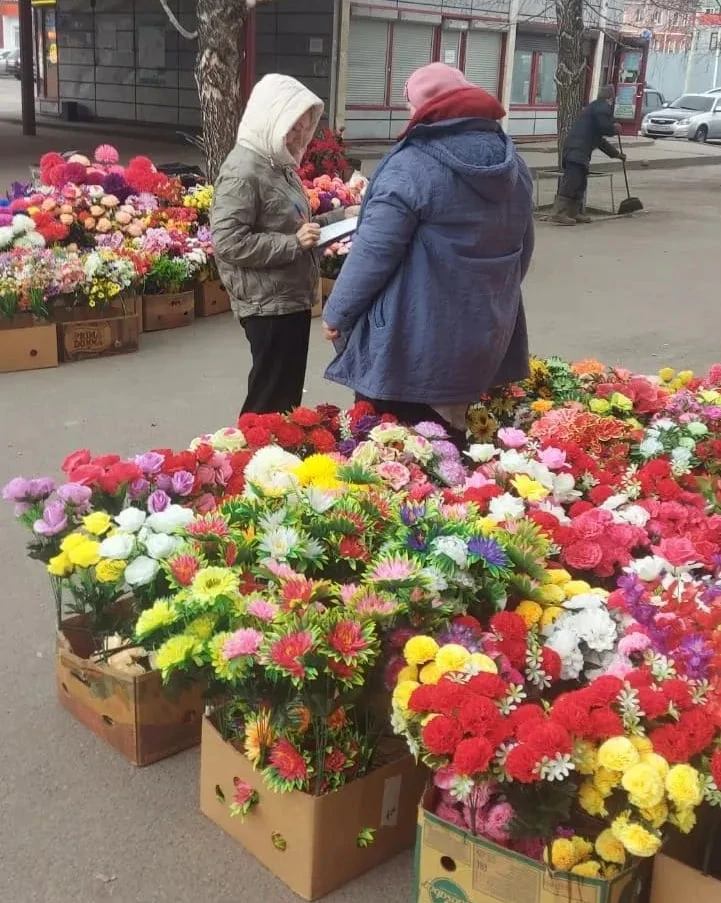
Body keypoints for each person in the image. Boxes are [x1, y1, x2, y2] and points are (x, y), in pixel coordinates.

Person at [321, 62, 534, 442]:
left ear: (424, 107)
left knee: (399, 457)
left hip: (411, 342)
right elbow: (523, 249)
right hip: (485, 333)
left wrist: (337, 311)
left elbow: (374, 251)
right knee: (453, 450)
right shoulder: (513, 164)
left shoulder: (412, 165)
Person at [211, 74, 354, 415]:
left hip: (288, 298)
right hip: (267, 305)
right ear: (270, 117)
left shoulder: (277, 163)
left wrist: (342, 218)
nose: (299, 136)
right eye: (293, 127)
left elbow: (296, 224)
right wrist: (292, 244)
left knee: (284, 399)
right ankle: (250, 462)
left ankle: (275, 458)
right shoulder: (243, 171)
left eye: (305, 127)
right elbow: (228, 242)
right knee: (269, 400)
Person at [553, 86, 625, 225]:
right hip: (576, 150)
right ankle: (559, 213)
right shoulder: (601, 107)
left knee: (580, 182)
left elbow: (600, 141)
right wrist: (613, 128)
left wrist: (616, 154)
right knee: (572, 182)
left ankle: (575, 212)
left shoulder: (593, 110)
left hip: (579, 150)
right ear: (610, 99)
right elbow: (605, 127)